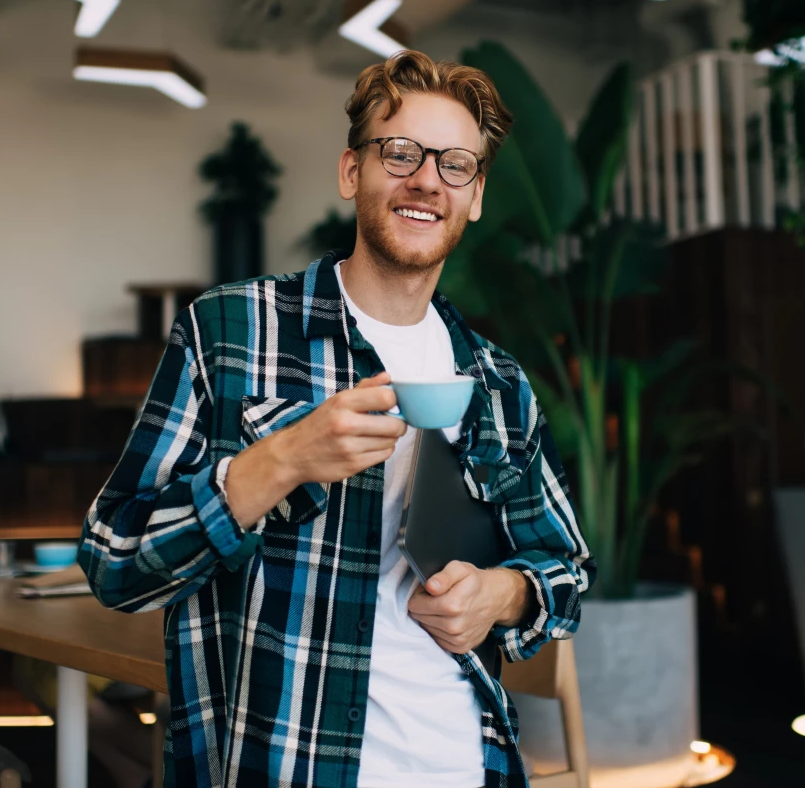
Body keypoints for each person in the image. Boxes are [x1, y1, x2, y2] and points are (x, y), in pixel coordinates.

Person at [78, 49, 596, 788]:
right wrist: (281, 460)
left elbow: (565, 570)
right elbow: (114, 561)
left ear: (475, 195)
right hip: (284, 765)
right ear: (353, 172)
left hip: (464, 764)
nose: (427, 180)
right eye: (401, 153)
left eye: (455, 165)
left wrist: (501, 595)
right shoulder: (228, 332)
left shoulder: (499, 384)